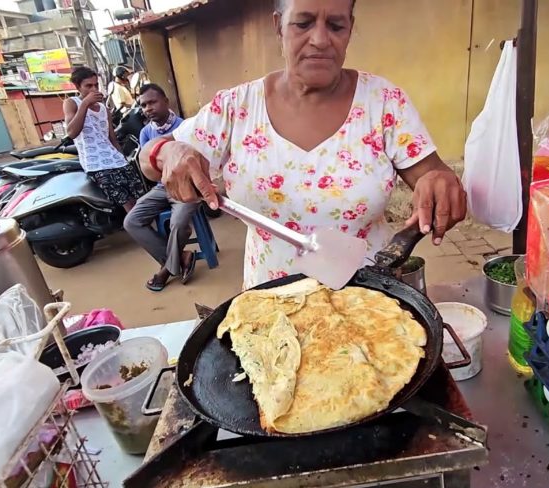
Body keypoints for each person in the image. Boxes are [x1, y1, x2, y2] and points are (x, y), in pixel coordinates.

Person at [139, 0, 466, 289]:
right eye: (303, 23)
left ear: (350, 29)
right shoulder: (236, 108)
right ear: (278, 25)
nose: (321, 39)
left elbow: (431, 174)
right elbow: (148, 160)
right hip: (270, 301)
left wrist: (439, 183)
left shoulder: (383, 103)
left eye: (336, 25)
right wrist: (167, 151)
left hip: (369, 297)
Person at [124, 84, 198, 291]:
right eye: (144, 105)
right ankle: (180, 257)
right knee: (131, 221)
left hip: (186, 187)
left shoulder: (185, 127)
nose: (148, 108)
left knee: (178, 222)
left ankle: (166, 270)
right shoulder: (146, 132)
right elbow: (149, 168)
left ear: (166, 101)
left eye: (152, 102)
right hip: (160, 187)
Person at [64, 66, 145, 212]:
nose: (93, 89)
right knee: (129, 206)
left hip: (117, 161)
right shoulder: (72, 103)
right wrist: (85, 104)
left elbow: (112, 138)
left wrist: (122, 159)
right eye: (88, 86)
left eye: (96, 85)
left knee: (141, 200)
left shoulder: (103, 108)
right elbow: (71, 132)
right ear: (77, 87)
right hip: (96, 165)